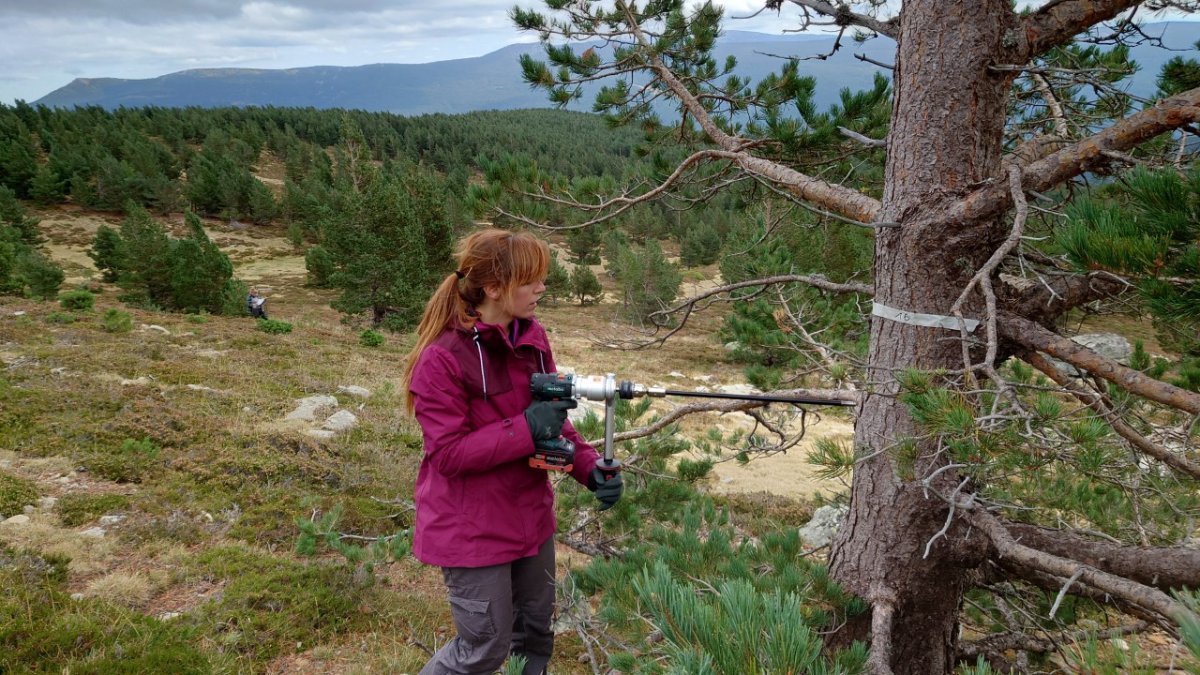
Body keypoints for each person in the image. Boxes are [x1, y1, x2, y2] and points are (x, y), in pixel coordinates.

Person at [402, 229, 623, 675]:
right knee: (484, 647)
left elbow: (553, 417)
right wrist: (524, 428)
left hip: (530, 520)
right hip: (471, 529)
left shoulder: (532, 336)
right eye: (531, 280)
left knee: (535, 636)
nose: (542, 288)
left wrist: (587, 467)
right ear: (493, 288)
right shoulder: (441, 358)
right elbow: (447, 454)